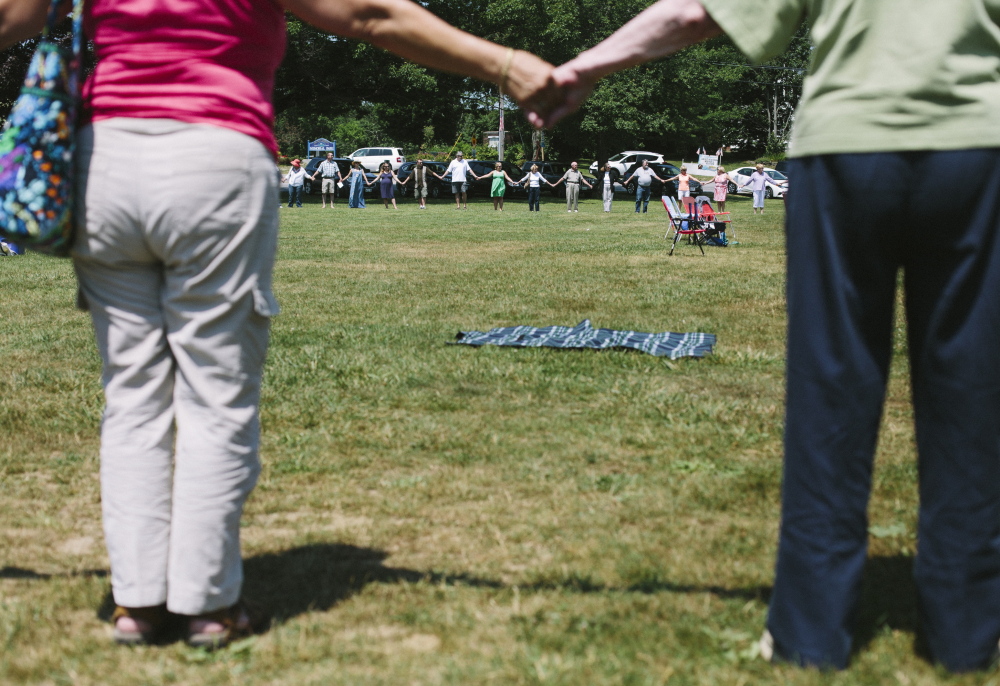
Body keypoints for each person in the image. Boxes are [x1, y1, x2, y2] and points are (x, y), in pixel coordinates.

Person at [0, 0, 556, 649]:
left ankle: (139, 604)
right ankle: (209, 605)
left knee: (131, 395)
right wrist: (507, 65)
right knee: (215, 392)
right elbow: (369, 13)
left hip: (104, 160)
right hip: (212, 153)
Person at [531, 0, 1000, 673]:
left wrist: (587, 66)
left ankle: (811, 630)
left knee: (832, 385)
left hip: (846, 150)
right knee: (972, 387)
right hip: (978, 149)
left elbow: (697, 12)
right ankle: (968, 630)